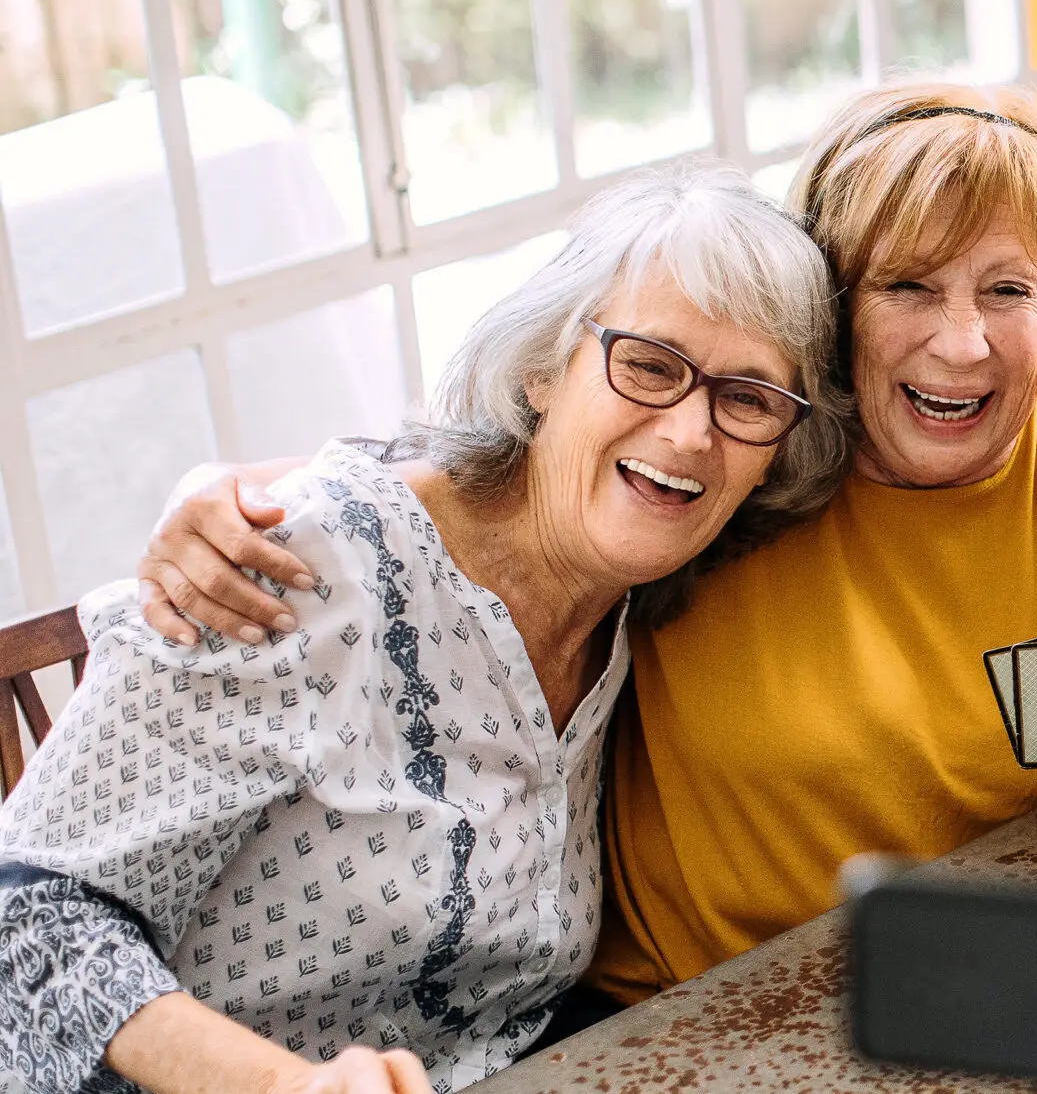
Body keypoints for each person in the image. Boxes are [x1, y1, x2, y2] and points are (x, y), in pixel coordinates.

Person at [127, 84, 1037, 1007]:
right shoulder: (733, 467)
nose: (962, 342)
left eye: (1008, 292)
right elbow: (496, 478)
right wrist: (258, 494)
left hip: (1022, 994)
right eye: (907, 287)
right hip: (691, 1018)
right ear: (830, 308)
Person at [0, 164, 845, 1094]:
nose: (691, 432)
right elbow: (28, 926)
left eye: (748, 398)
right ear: (541, 370)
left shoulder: (650, 595)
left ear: (777, 451)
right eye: (648, 364)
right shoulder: (297, 565)